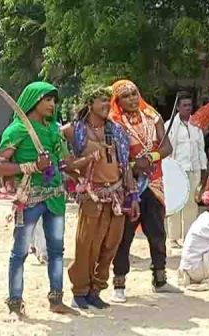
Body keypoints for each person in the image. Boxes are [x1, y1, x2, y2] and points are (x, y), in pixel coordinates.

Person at [0, 81, 78, 319]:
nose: (52, 105)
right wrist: (31, 166)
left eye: (54, 100)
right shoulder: (17, 130)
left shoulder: (53, 129)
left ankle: (56, 300)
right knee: (20, 252)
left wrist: (78, 164)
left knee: (57, 251)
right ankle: (15, 304)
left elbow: (64, 160)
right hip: (29, 198)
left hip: (55, 198)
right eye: (47, 100)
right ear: (34, 101)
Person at [61, 85, 139, 309]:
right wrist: (76, 176)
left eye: (108, 101)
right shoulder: (73, 130)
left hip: (117, 195)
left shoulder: (117, 131)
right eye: (101, 101)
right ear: (89, 104)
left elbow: (125, 166)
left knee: (110, 246)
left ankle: (96, 290)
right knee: (86, 245)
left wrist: (132, 197)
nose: (106, 105)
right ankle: (80, 291)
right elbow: (60, 157)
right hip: (92, 196)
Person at [110, 80, 181, 303]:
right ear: (117, 100)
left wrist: (151, 157)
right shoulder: (114, 122)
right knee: (125, 234)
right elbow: (111, 155)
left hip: (155, 182)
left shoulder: (152, 116)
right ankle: (119, 284)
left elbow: (167, 146)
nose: (131, 99)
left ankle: (160, 279)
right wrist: (133, 164)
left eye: (134, 94)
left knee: (157, 231)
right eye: (126, 96)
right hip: (129, 183)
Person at [164, 93, 207, 248]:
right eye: (185, 105)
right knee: (175, 203)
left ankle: (188, 236)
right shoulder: (169, 125)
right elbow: (166, 149)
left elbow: (201, 150)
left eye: (190, 105)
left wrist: (203, 170)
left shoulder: (196, 126)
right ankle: (173, 238)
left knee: (191, 204)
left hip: (193, 169)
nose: (188, 108)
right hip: (176, 170)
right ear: (178, 107)